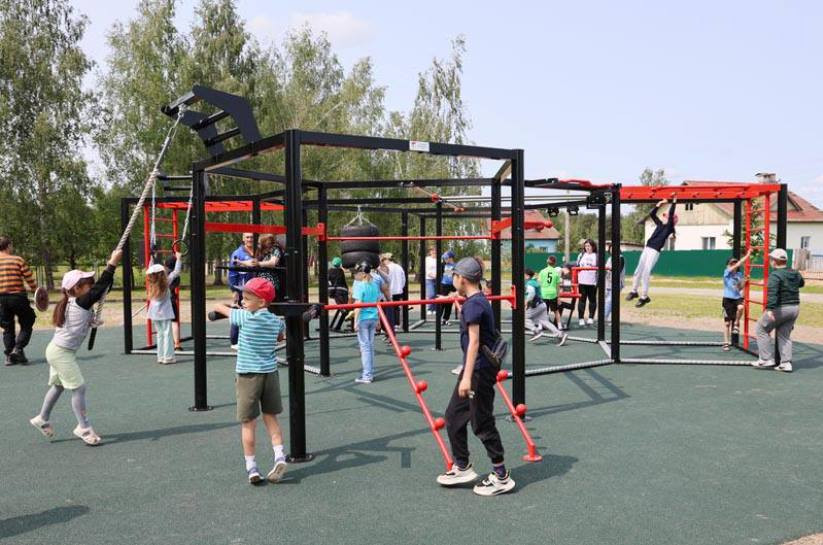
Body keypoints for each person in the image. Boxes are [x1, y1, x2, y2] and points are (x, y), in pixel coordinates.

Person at [437, 257, 515, 496]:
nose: (452, 279)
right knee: (453, 416)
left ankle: (501, 476)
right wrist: (452, 297)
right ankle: (462, 466)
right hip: (477, 369)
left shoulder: (473, 306)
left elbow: (474, 342)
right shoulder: (477, 299)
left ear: (461, 278)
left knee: (481, 422)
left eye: (453, 276)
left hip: (478, 371)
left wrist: (466, 377)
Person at [29, 249, 123, 446]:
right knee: (79, 388)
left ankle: (42, 418)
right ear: (77, 288)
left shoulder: (75, 302)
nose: (92, 286)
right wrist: (112, 263)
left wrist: (89, 322)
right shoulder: (81, 301)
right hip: (61, 353)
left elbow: (102, 290)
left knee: (58, 386)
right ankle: (84, 427)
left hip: (57, 350)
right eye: (88, 284)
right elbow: (101, 288)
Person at [211, 277, 287, 484]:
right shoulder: (276, 321)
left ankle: (251, 466)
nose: (242, 301)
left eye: (246, 298)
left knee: (248, 423)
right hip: (270, 374)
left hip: (248, 376)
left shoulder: (244, 317)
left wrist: (230, 306)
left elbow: (218, 307)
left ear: (261, 302)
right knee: (271, 417)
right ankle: (279, 455)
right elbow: (280, 337)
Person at [752, 249, 804, 372]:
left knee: (761, 328)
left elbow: (772, 292)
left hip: (781, 308)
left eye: (771, 259)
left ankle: (766, 359)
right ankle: (786, 363)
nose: (770, 261)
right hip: (794, 308)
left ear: (775, 261)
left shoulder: (775, 275)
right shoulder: (795, 272)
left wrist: (770, 309)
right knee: (784, 335)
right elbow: (801, 283)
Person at [627, 197, 678, 307]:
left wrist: (674, 202)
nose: (664, 217)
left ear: (671, 220)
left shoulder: (669, 227)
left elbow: (671, 213)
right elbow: (652, 214)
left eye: (666, 216)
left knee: (645, 273)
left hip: (654, 251)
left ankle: (644, 297)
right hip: (647, 248)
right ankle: (634, 291)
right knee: (638, 270)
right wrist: (659, 204)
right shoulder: (660, 224)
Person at [0, 236, 39, 365]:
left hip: (1, 299)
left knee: (7, 327)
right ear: (8, 246)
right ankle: (18, 349)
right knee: (28, 320)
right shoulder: (17, 260)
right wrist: (37, 292)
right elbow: (29, 279)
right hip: (17, 297)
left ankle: (9, 356)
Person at [147, 253, 183, 364]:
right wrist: (179, 259)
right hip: (165, 313)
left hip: (154, 313)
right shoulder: (166, 282)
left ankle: (160, 356)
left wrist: (151, 259)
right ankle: (168, 357)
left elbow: (150, 269)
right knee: (167, 334)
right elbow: (176, 272)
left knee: (160, 335)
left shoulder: (151, 284)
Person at [352, 261, 381, 384]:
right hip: (373, 318)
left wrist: (355, 321)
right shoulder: (374, 285)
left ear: (363, 273)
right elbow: (378, 303)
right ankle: (369, 373)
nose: (355, 275)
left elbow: (358, 305)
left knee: (365, 348)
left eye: (357, 273)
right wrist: (378, 319)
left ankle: (367, 375)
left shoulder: (360, 286)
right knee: (370, 346)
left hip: (363, 319)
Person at [228, 233, 257, 348]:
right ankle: (235, 341)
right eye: (247, 237)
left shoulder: (257, 252)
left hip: (255, 290)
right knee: (238, 312)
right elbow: (232, 273)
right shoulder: (237, 253)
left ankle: (251, 340)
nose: (250, 239)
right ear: (243, 239)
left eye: (252, 237)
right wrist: (234, 290)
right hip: (242, 289)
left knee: (254, 314)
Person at [525, 268, 567, 345]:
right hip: (542, 304)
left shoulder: (529, 283)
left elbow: (531, 293)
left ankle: (536, 331)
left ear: (527, 276)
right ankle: (560, 334)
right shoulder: (534, 282)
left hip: (536, 305)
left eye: (524, 275)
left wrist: (527, 302)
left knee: (523, 318)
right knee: (545, 322)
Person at [721, 250, 752, 351]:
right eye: (731, 263)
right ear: (728, 265)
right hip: (727, 299)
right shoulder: (726, 272)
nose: (734, 265)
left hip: (737, 298)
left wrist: (745, 280)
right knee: (727, 323)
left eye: (735, 263)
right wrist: (747, 255)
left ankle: (736, 323)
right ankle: (726, 343)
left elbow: (739, 287)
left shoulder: (739, 274)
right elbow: (739, 263)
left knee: (741, 307)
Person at [576, 239, 599, 327]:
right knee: (582, 300)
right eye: (586, 246)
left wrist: (598, 281)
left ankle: (591, 318)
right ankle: (581, 318)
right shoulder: (581, 255)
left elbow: (600, 269)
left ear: (593, 246)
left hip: (592, 282)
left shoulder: (596, 256)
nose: (587, 248)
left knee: (592, 300)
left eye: (589, 246)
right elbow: (577, 265)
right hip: (582, 281)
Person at [538, 256, 563, 329]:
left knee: (542, 311)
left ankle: (540, 326)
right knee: (556, 311)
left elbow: (539, 283)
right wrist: (558, 297)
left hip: (544, 293)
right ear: (555, 263)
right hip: (553, 293)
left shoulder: (542, 271)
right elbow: (557, 286)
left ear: (547, 261)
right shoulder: (556, 272)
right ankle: (559, 326)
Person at [256, 234, 284, 299]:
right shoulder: (261, 251)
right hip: (261, 280)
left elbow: (272, 263)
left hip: (271, 280)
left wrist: (258, 263)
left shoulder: (275, 249)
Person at [164, 255, 182, 350]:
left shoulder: (160, 276)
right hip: (170, 301)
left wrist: (152, 257)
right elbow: (176, 271)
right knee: (174, 322)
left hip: (162, 303)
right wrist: (179, 259)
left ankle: (166, 344)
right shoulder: (172, 277)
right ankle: (177, 344)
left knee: (164, 323)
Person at [604, 243, 626, 322]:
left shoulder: (620, 257)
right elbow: (606, 270)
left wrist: (610, 268)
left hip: (617, 282)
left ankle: (604, 317)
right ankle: (611, 319)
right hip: (608, 282)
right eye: (611, 248)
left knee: (610, 300)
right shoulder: (610, 258)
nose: (612, 250)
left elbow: (618, 270)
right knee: (610, 301)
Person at [328, 257, 349, 332]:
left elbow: (329, 282)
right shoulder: (340, 271)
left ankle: (337, 326)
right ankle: (337, 326)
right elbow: (344, 282)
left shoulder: (329, 271)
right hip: (343, 291)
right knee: (344, 308)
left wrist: (330, 292)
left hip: (336, 292)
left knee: (342, 308)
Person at [438, 251, 457, 325]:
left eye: (446, 258)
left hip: (452, 286)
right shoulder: (443, 265)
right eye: (444, 258)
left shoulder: (456, 266)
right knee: (442, 302)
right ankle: (439, 318)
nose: (445, 259)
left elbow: (454, 275)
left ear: (451, 258)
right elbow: (445, 274)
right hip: (444, 285)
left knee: (449, 303)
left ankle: (446, 319)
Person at [425, 247, 437, 315]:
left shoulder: (439, 259)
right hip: (429, 279)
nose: (433, 252)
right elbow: (426, 269)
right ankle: (429, 308)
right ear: (430, 252)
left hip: (437, 279)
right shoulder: (427, 259)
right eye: (432, 251)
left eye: (434, 251)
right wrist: (432, 275)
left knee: (435, 294)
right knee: (431, 294)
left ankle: (434, 308)